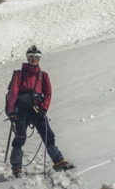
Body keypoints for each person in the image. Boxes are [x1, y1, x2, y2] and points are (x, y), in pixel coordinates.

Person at [5, 45, 73, 177]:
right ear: (27, 58)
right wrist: (12, 112)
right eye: (31, 57)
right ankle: (16, 167)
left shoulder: (44, 75)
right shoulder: (19, 75)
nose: (34, 60)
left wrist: (44, 108)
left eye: (36, 58)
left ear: (39, 59)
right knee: (20, 137)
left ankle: (58, 161)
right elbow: (13, 93)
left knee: (48, 135)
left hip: (37, 109)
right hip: (22, 110)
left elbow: (48, 93)